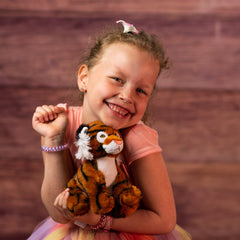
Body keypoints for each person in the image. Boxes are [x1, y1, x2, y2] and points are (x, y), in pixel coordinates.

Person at [29, 20, 191, 240]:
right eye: (117, 79)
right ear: (84, 78)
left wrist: (100, 221)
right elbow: (58, 213)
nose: (127, 96)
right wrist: (53, 139)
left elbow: (164, 219)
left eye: (141, 90)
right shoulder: (62, 123)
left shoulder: (137, 138)